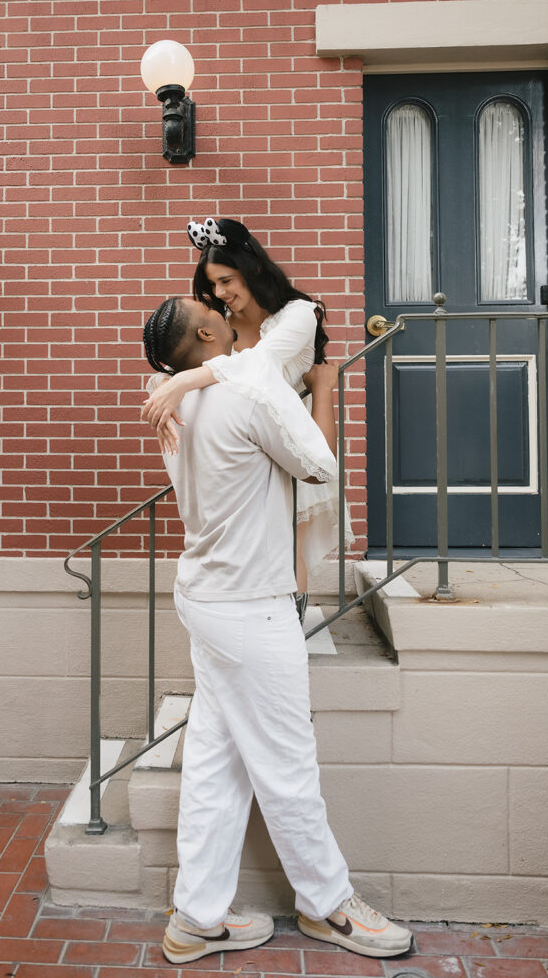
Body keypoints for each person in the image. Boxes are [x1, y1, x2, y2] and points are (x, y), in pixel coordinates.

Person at [142, 295, 412, 966]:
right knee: (286, 765)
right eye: (209, 304)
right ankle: (328, 905)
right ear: (208, 331)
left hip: (206, 597)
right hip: (249, 607)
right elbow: (317, 461)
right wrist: (314, 391)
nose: (221, 304)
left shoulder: (177, 402)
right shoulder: (243, 394)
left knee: (215, 765)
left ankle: (196, 919)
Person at [141, 217, 354, 620]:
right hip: (240, 450)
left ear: (252, 269)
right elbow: (185, 360)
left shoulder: (298, 315)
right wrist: (165, 390)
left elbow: (261, 365)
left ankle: (289, 627)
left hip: (291, 437)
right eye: (213, 286)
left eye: (226, 281)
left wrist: (181, 383)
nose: (219, 293)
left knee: (291, 539)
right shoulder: (217, 324)